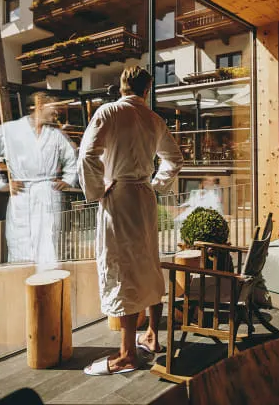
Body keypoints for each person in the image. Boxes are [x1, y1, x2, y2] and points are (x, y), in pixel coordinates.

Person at [78, 66, 184, 375]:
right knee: (149, 261)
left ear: (122, 86)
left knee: (122, 267)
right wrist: (156, 184)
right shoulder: (153, 119)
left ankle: (127, 355)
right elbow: (174, 159)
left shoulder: (108, 112)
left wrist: (98, 191)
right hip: (145, 197)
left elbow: (88, 156)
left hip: (120, 196)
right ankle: (152, 334)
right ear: (147, 89)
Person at [0, 92, 78, 270]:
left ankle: (47, 287)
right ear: (39, 107)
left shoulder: (55, 135)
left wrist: (68, 179)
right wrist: (3, 185)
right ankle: (20, 285)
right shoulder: (10, 130)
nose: (56, 114)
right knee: (20, 243)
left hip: (48, 193)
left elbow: (73, 157)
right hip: (22, 194)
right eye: (52, 109)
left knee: (49, 243)